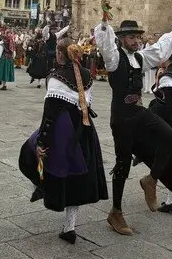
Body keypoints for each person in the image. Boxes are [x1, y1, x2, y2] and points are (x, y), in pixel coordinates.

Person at [94, 11, 172, 235]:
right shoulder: (114, 57)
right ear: (122, 39)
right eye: (131, 38)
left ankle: (150, 180)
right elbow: (105, 44)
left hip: (138, 112)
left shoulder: (139, 57)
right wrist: (105, 22)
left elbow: (160, 49)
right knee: (122, 164)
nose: (136, 41)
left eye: (137, 37)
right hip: (122, 118)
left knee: (171, 138)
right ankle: (116, 212)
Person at [19, 37, 107, 244]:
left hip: (62, 130)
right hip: (84, 131)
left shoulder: (56, 77)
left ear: (60, 54)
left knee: (30, 152)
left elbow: (49, 114)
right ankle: (70, 227)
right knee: (76, 178)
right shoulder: (87, 75)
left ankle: (40, 186)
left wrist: (42, 141)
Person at [134, 46, 172, 213]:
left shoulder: (169, 78)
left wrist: (149, 110)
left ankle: (152, 183)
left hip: (169, 125)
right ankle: (171, 200)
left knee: (167, 160)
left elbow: (166, 106)